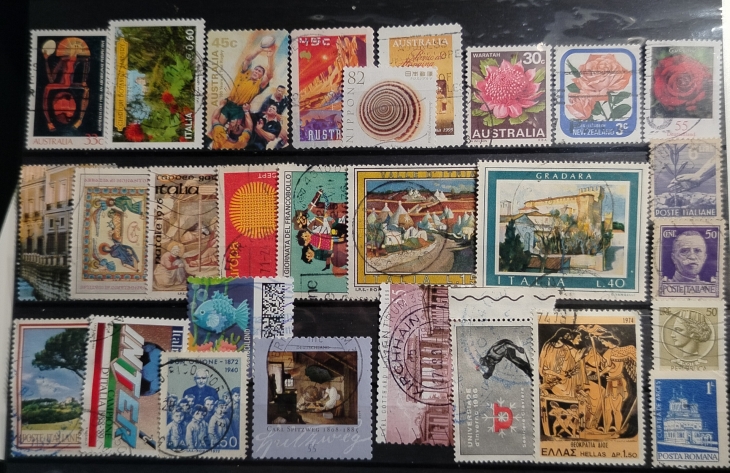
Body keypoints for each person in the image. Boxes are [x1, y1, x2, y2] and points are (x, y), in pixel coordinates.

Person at [216, 43, 276, 126]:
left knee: (232, 130)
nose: (256, 71)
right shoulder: (243, 74)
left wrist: (270, 57)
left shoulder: (259, 85)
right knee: (218, 127)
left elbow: (269, 75)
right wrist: (260, 49)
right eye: (256, 69)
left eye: (259, 71)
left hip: (240, 109)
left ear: (261, 77)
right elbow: (248, 59)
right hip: (228, 104)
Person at [41, 37, 91, 132]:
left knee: (86, 89)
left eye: (77, 47)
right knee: (47, 88)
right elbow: (51, 78)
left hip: (70, 84)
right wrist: (46, 60)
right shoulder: (63, 59)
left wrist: (84, 80)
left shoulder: (79, 59)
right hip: (62, 84)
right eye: (74, 46)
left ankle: (80, 119)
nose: (75, 48)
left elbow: (87, 64)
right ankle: (49, 122)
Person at [539, 328, 585, 398]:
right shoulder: (548, 345)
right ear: (560, 335)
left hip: (560, 375)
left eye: (568, 336)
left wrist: (578, 358)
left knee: (574, 373)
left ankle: (576, 390)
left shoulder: (565, 347)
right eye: (566, 335)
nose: (567, 338)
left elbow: (570, 362)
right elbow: (542, 360)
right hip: (549, 374)